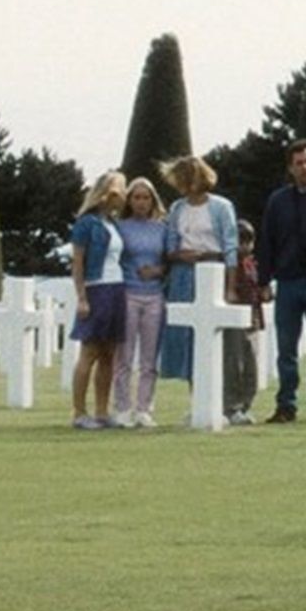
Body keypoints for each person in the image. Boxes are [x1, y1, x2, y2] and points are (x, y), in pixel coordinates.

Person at [257, 140, 306, 423]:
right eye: (299, 163)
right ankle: (286, 405)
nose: (305, 167)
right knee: (286, 350)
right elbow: (267, 242)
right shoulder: (278, 201)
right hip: (287, 283)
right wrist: (264, 281)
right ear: (291, 168)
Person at [157, 156, 241, 392]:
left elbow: (230, 247)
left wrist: (230, 287)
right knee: (188, 337)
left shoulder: (221, 207)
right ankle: (196, 395)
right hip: (183, 274)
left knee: (212, 338)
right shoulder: (177, 209)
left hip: (212, 270)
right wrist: (180, 256)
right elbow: (170, 246)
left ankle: (219, 396)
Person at [111, 176, 174, 428]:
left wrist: (158, 271)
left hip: (154, 296)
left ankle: (144, 408)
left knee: (149, 358)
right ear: (129, 200)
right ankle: (123, 407)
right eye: (136, 197)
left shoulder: (162, 228)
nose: (141, 202)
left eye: (145, 197)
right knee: (124, 356)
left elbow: (170, 260)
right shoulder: (120, 227)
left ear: (153, 200)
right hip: (128, 293)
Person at [68, 171, 128, 430]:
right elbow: (78, 261)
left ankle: (102, 411)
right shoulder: (86, 223)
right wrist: (81, 297)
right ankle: (79, 412)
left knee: (108, 354)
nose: (121, 196)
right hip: (96, 288)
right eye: (118, 190)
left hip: (116, 288)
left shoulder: (113, 224)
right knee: (89, 351)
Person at [224, 220, 268, 426]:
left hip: (253, 320)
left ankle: (245, 404)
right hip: (234, 320)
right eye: (240, 241)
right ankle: (232, 406)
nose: (245, 246)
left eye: (249, 241)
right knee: (235, 363)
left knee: (252, 365)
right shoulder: (228, 267)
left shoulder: (252, 264)